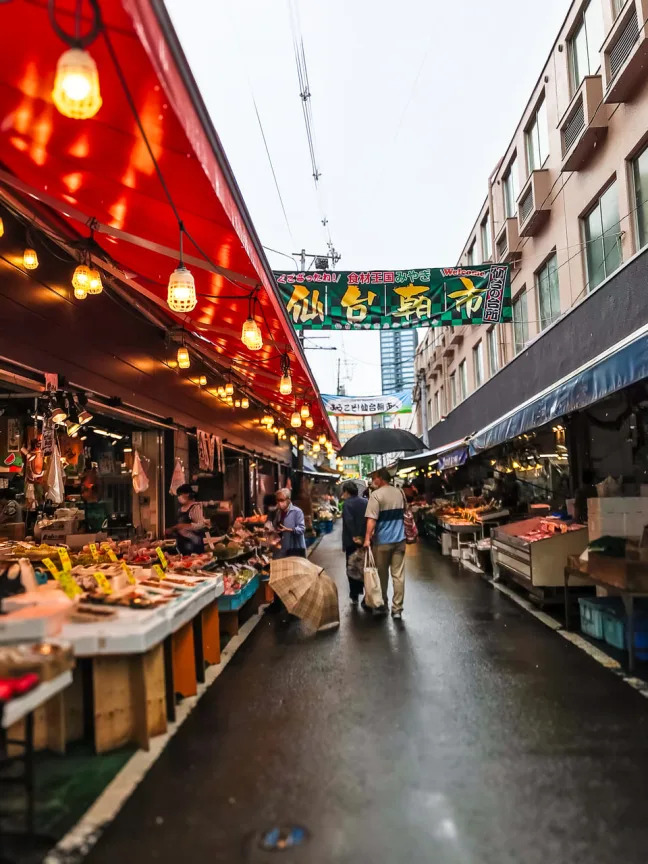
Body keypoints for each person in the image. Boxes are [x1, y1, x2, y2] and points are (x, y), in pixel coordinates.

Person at [364, 467, 406, 619]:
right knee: (398, 575)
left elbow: (371, 520)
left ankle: (382, 604)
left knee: (381, 575)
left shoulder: (376, 495)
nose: (373, 480)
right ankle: (397, 609)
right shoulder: (400, 493)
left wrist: (367, 539)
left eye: (374, 477)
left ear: (380, 478)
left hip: (382, 542)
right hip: (400, 540)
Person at [341, 481, 367, 605]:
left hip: (351, 541)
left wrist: (354, 536)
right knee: (365, 566)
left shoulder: (347, 504)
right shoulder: (365, 502)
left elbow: (349, 521)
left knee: (352, 566)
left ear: (346, 492)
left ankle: (354, 594)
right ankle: (367, 592)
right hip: (365, 540)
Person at [169, 483, 208, 554]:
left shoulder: (195, 507)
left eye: (180, 494)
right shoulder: (180, 509)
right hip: (182, 544)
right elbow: (179, 526)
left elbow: (201, 524)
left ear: (187, 494)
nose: (179, 497)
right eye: (178, 495)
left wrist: (185, 526)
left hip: (194, 544)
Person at [273, 488, 306, 558]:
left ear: (288, 500)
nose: (279, 503)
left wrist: (289, 529)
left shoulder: (297, 512)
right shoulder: (278, 512)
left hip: (295, 549)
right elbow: (276, 526)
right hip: (283, 549)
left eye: (281, 500)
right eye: (277, 500)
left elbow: (302, 529)